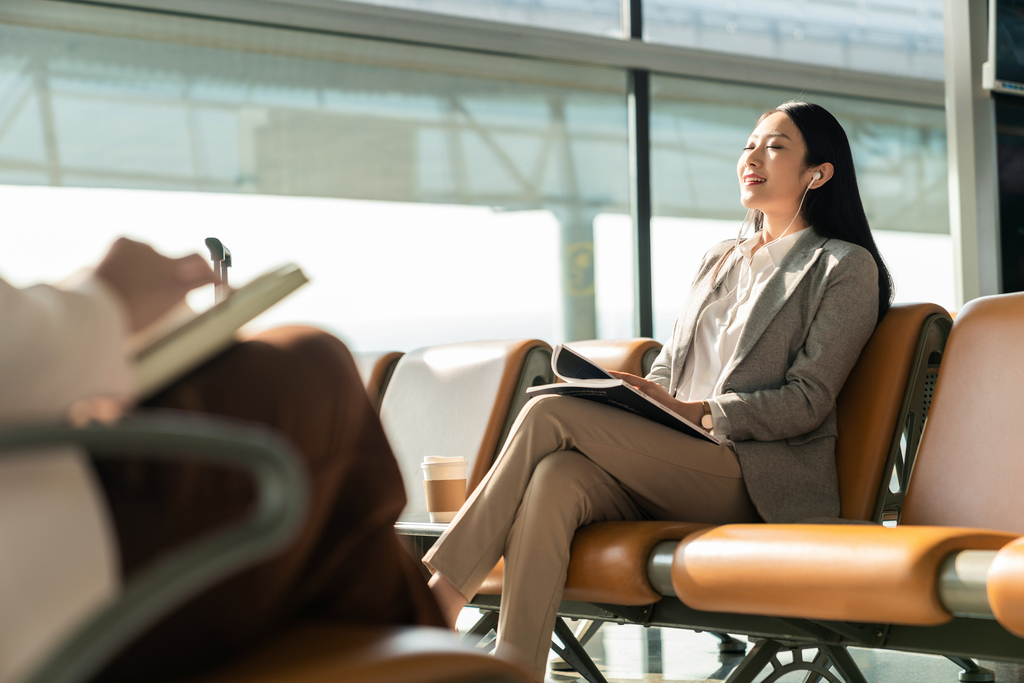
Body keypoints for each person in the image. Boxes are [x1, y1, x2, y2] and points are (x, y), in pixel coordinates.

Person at [421, 101, 894, 681]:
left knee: (549, 411)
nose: (752, 156)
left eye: (774, 146)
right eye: (749, 143)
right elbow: (672, 369)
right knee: (555, 479)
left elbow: (807, 400)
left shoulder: (842, 267)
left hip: (749, 475)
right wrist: (642, 395)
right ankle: (516, 670)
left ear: (818, 173)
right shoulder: (718, 259)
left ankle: (439, 598)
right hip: (670, 458)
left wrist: (698, 413)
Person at [0, 238, 444, 683]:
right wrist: (106, 296)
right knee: (318, 366)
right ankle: (440, 652)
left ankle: (438, 632)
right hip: (57, 578)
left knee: (344, 553)